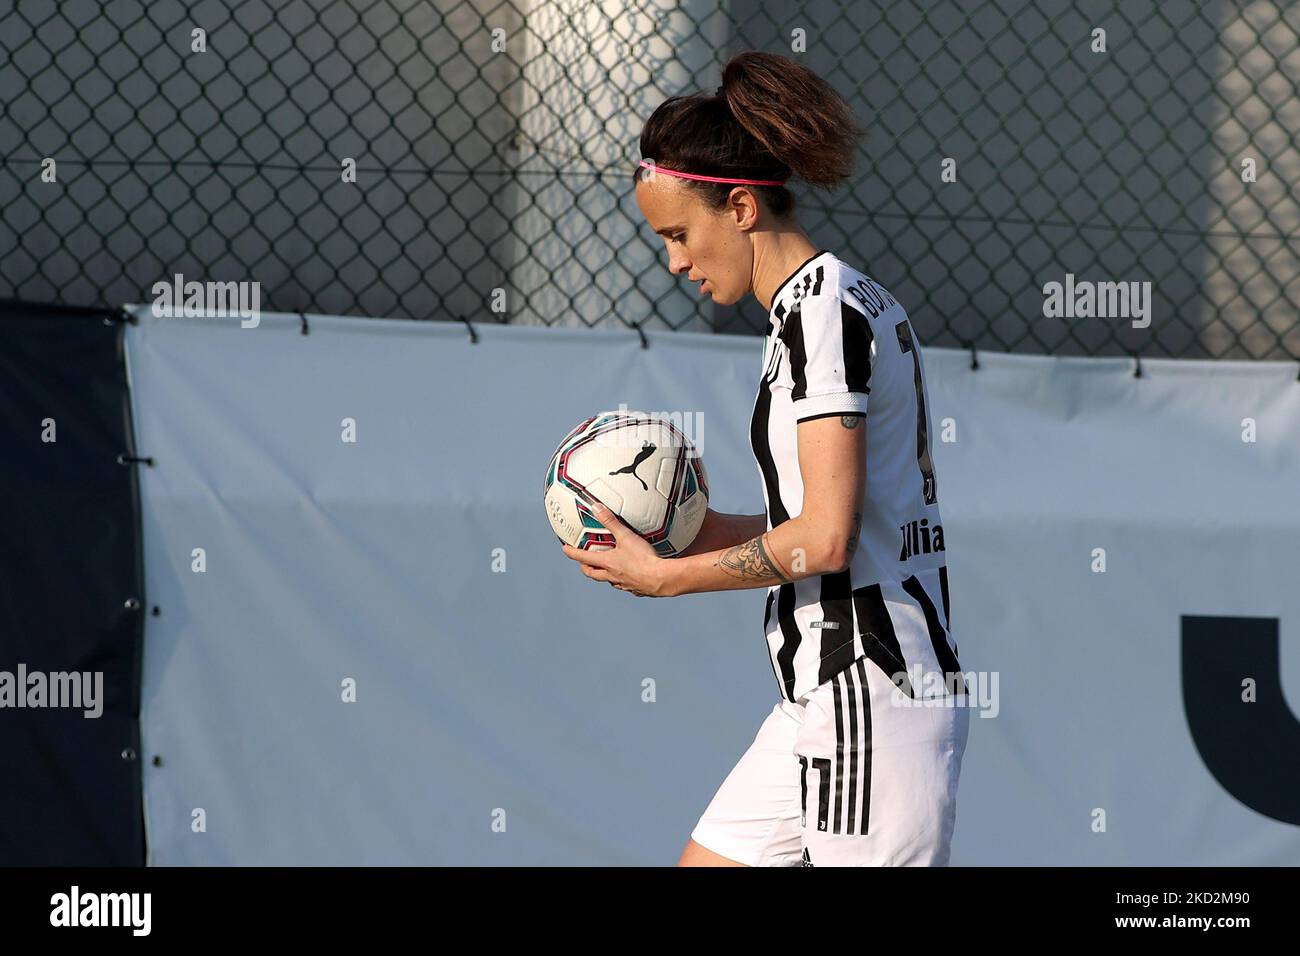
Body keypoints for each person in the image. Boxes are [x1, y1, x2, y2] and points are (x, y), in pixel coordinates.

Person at [561, 50, 969, 867]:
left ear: (741, 207)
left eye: (679, 234)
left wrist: (668, 577)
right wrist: (695, 529)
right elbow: (829, 522)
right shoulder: (822, 310)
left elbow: (823, 544)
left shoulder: (823, 318)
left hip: (866, 690)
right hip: (821, 696)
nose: (674, 260)